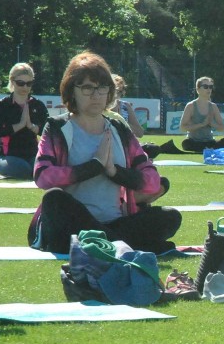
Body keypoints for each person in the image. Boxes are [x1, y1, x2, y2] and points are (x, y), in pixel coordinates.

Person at [29, 52, 181, 254]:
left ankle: (102, 241)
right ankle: (121, 245)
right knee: (54, 199)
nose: (96, 95)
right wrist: (94, 166)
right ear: (71, 91)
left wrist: (114, 172)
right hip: (74, 222)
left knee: (170, 216)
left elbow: (152, 180)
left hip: (115, 222)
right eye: (87, 88)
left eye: (101, 88)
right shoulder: (57, 127)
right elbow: (43, 176)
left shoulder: (119, 128)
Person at [0, 63, 49, 179]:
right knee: (24, 169)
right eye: (21, 83)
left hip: (33, 154)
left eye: (29, 83)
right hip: (9, 156)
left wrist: (32, 126)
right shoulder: (3, 105)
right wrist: (20, 125)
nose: (25, 87)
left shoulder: (38, 105)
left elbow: (48, 131)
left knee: (42, 169)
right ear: (12, 82)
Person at [179, 76, 224, 153]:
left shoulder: (213, 106)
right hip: (193, 141)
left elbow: (222, 129)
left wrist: (212, 123)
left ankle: (207, 149)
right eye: (205, 86)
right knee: (186, 144)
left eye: (210, 87)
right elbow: (182, 128)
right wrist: (202, 124)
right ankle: (209, 149)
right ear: (198, 89)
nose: (208, 89)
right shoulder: (191, 106)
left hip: (210, 141)